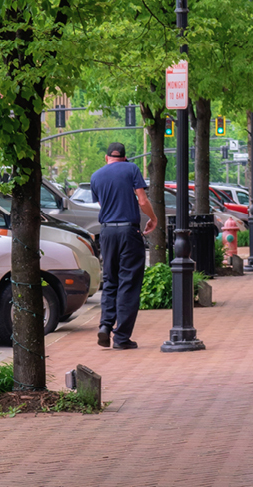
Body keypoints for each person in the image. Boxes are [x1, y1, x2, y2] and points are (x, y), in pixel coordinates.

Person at [90, 142, 157, 350]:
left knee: (110, 280)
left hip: (107, 232)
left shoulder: (96, 176)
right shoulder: (131, 169)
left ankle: (104, 325)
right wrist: (153, 218)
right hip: (129, 231)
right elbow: (143, 200)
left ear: (106, 157)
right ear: (125, 157)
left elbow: (103, 205)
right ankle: (121, 337)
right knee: (129, 282)